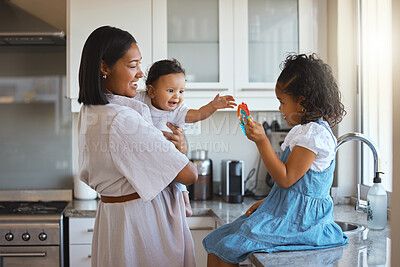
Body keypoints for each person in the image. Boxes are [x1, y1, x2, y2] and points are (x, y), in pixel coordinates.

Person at [203, 54, 348, 266]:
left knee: (228, 247)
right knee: (216, 242)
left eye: (282, 102)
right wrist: (270, 201)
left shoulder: (315, 136)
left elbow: (287, 178)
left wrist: (262, 141)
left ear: (302, 102)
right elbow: (293, 186)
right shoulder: (301, 131)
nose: (280, 108)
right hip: (288, 213)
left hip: (304, 222)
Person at [77, 26, 198, 267]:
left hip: (115, 221)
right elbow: (189, 174)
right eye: (133, 65)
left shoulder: (90, 111)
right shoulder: (122, 118)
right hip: (142, 225)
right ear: (104, 68)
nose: (141, 73)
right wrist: (180, 153)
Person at [135, 58, 236, 217]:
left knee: (178, 177)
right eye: (170, 90)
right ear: (152, 91)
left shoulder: (177, 111)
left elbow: (198, 114)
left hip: (168, 155)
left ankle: (186, 203)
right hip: (147, 158)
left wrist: (213, 106)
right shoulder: (141, 99)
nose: (177, 96)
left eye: (181, 91)